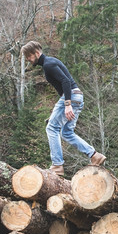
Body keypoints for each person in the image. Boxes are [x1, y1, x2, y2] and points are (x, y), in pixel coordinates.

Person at [20, 41, 106, 176]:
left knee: (51, 128)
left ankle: (57, 165)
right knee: (66, 132)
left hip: (71, 96)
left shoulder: (48, 65)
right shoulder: (50, 62)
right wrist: (58, 112)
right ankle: (94, 155)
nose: (28, 60)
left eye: (29, 56)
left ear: (37, 53)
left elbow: (65, 81)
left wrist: (67, 105)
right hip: (77, 97)